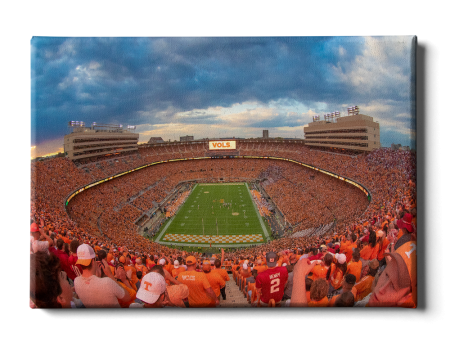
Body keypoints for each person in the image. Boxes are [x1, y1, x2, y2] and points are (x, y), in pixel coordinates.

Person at [73, 244, 131, 308]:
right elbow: (127, 298)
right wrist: (110, 275)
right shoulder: (107, 282)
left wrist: (97, 276)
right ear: (93, 261)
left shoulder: (76, 281)